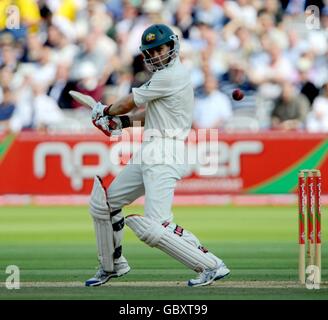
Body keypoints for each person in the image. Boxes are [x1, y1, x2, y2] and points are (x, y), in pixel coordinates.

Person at [85, 24, 230, 287]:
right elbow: (148, 114)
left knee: (156, 226)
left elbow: (128, 102)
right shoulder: (162, 78)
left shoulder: (171, 75)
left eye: (159, 49)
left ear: (172, 47)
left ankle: (211, 265)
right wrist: (122, 124)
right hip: (151, 149)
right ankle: (112, 265)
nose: (154, 55)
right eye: (149, 52)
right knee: (105, 204)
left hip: (166, 151)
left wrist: (105, 111)